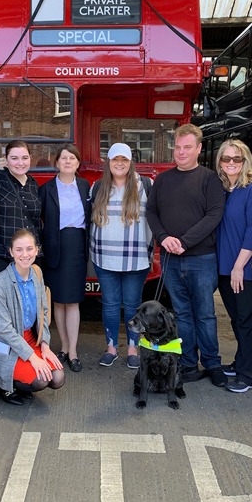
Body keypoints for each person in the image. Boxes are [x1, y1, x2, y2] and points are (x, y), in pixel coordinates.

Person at [146, 124, 227, 386]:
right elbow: (151, 213)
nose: (181, 152)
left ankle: (213, 363)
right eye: (178, 147)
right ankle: (189, 362)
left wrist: (185, 241)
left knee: (204, 314)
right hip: (171, 260)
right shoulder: (163, 179)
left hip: (201, 259)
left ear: (199, 149)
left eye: (187, 147)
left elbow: (214, 215)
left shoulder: (209, 179)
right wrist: (163, 238)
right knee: (182, 315)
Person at [90, 143, 154, 369]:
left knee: (133, 305)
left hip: (136, 258)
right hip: (104, 257)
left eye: (124, 159)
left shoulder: (145, 184)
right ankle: (111, 348)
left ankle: (132, 349)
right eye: (115, 159)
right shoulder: (97, 187)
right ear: (108, 162)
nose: (119, 163)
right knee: (109, 305)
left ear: (130, 162)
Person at [0, 229, 65, 405]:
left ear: (37, 250)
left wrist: (45, 345)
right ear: (11, 252)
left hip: (32, 339)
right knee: (41, 380)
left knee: (58, 378)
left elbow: (44, 311)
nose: (25, 255)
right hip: (8, 345)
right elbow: (5, 329)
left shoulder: (37, 272)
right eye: (19, 250)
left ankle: (23, 382)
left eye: (29, 249)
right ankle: (6, 387)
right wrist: (33, 357)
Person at [216, 140, 252, 393]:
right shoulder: (224, 189)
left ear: (245, 161)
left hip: (242, 269)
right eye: (226, 159)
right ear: (220, 163)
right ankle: (239, 363)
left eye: (236, 159)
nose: (231, 163)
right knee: (237, 320)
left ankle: (249, 375)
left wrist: (239, 267)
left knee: (247, 320)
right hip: (224, 267)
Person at [39, 144, 91, 372]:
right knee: (58, 301)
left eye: (72, 158)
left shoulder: (84, 185)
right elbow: (39, 219)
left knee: (73, 300)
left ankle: (73, 351)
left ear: (78, 163)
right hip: (54, 246)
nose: (68, 162)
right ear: (57, 163)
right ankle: (63, 347)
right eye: (63, 158)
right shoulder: (46, 188)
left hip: (76, 246)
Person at [0, 141, 42, 281]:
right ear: (5, 160)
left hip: (25, 256)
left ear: (30, 158)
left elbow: (36, 222)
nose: (20, 163)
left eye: (24, 158)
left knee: (23, 300)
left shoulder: (33, 184)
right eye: (14, 158)